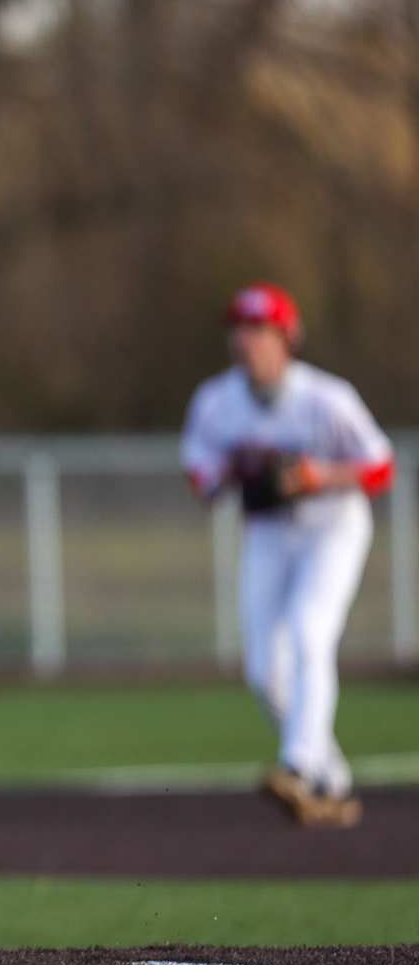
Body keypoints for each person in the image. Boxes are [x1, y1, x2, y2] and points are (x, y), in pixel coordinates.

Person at [180, 283, 395, 829]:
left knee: (308, 631)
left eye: (260, 331)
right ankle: (331, 778)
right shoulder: (217, 401)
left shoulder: (327, 399)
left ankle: (297, 766)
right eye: (240, 330)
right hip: (269, 534)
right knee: (260, 670)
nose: (247, 341)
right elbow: (200, 471)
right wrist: (233, 473)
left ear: (287, 339)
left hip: (332, 528)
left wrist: (316, 475)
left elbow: (379, 466)